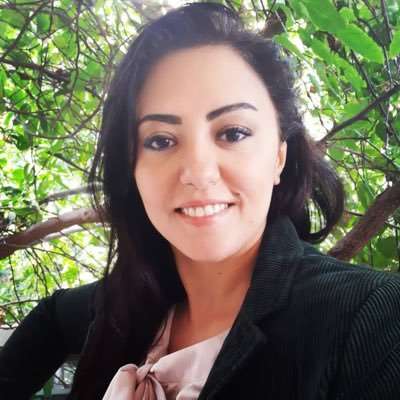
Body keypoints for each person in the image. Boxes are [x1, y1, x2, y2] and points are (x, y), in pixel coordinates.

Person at [1, 2, 400, 399]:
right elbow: (54, 317)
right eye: (161, 141)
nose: (198, 171)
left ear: (279, 156)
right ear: (132, 168)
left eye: (233, 133)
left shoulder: (374, 318)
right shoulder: (127, 301)